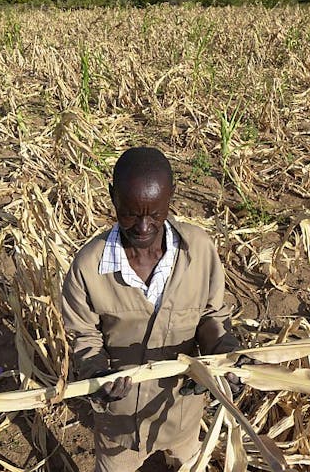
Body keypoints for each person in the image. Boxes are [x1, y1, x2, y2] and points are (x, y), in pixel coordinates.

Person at [60, 146, 240, 471]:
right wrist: (98, 375)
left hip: (182, 414)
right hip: (119, 427)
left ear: (171, 196)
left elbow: (211, 316)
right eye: (130, 214)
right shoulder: (88, 268)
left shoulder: (199, 251)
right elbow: (84, 336)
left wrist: (225, 359)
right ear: (113, 196)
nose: (143, 227)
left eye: (155, 214)